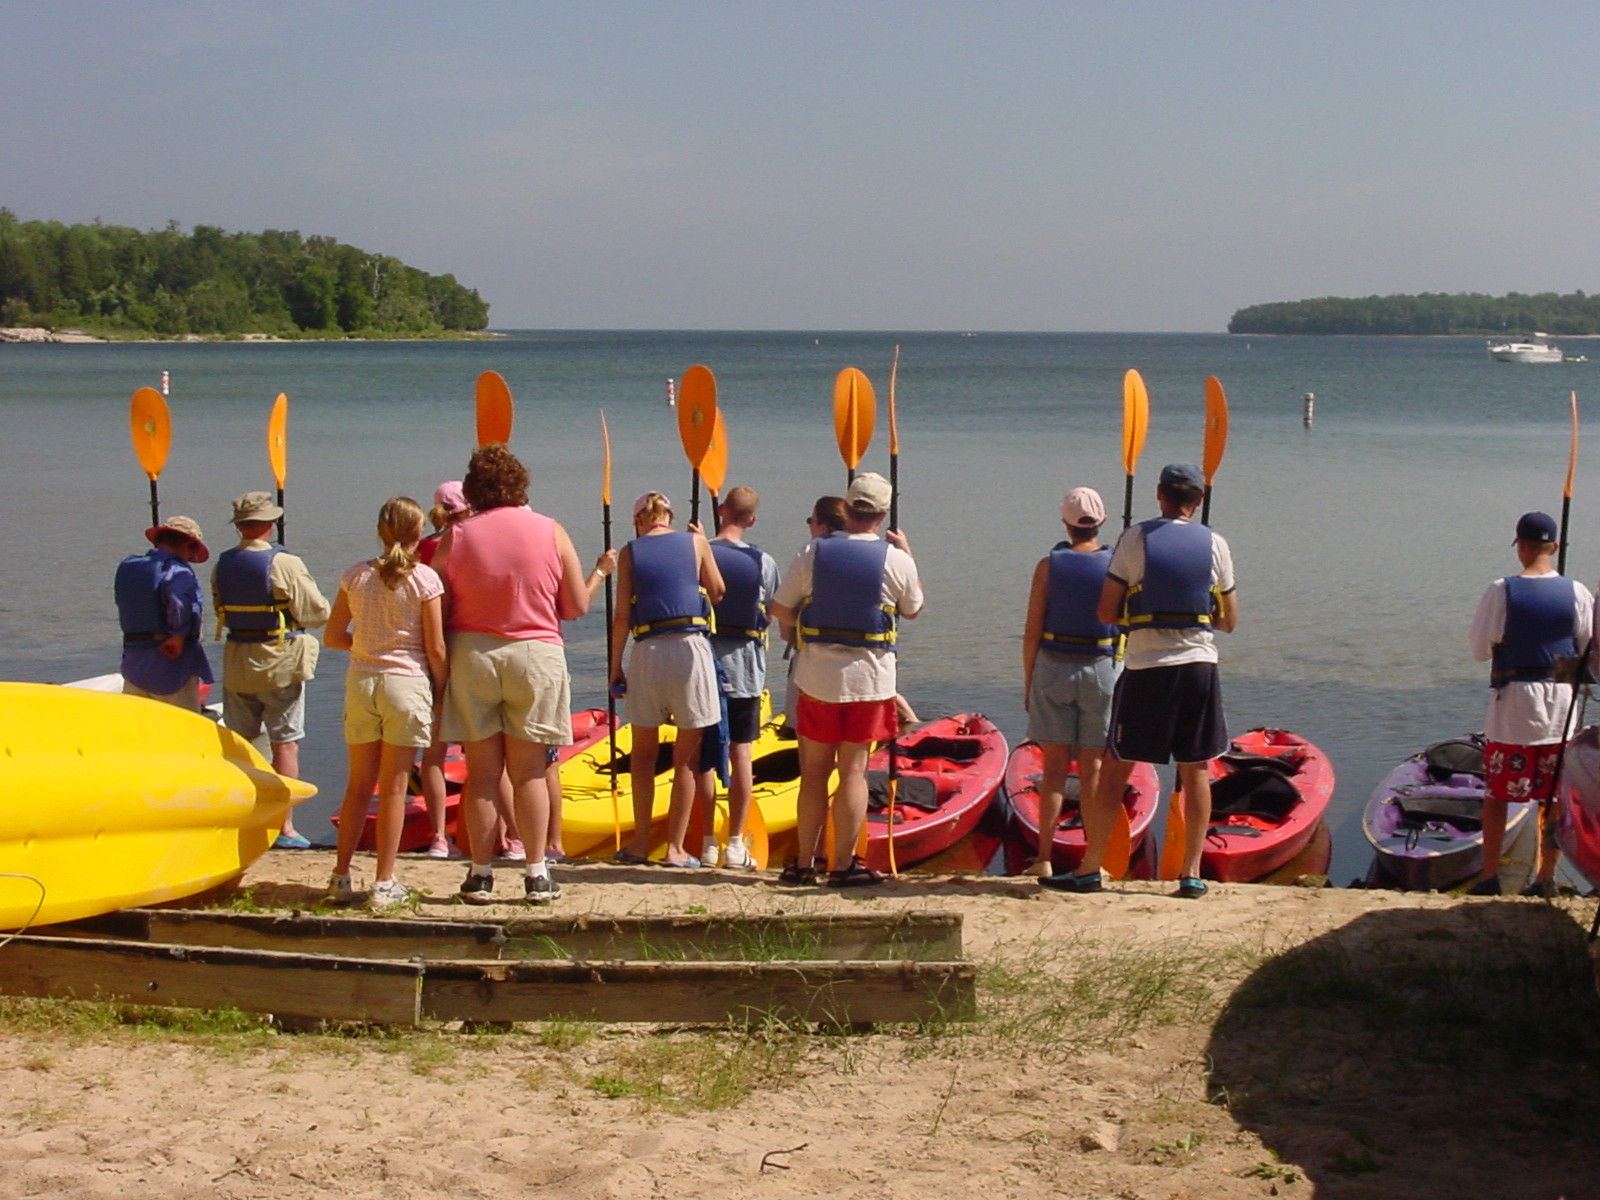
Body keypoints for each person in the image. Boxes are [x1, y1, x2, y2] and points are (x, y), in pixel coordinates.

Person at [1043, 463, 1236, 899]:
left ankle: (1091, 867)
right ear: (1197, 500)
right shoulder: (1216, 543)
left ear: (1159, 495)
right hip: (1200, 667)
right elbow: (1229, 622)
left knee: (1116, 769)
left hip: (1147, 669)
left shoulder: (1135, 538)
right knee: (1197, 769)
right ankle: (1191, 872)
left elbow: (1106, 613)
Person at [433, 444, 589, 904]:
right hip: (536, 655)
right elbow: (576, 605)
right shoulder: (550, 530)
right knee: (530, 774)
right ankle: (537, 874)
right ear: (520, 484)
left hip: (475, 654)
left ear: (474, 489)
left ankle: (480, 875)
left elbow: (435, 605)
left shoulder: (456, 536)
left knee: (482, 775)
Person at [771, 471, 923, 887]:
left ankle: (803, 863)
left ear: (848, 506)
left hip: (817, 677)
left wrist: (809, 619)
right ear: (883, 513)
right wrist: (906, 550)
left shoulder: (813, 551)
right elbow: (913, 608)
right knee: (854, 772)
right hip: (870, 681)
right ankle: (843, 864)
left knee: (814, 773)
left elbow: (780, 608)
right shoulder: (896, 559)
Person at [323, 497, 447, 910]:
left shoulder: (355, 576)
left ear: (381, 531)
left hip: (362, 681)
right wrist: (442, 689)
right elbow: (435, 647)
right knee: (394, 789)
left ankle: (341, 875)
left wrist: (368, 646)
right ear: (418, 535)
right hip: (406, 683)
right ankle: (384, 881)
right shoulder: (425, 581)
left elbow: (333, 636)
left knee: (359, 785)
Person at [1467, 511, 1593, 896]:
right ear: (1554, 547)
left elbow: (1478, 650)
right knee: (1553, 795)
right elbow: (1587, 648)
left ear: (1520, 545)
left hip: (1514, 705)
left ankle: (1490, 877)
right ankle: (1545, 879)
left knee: (1498, 793)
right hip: (1560, 705)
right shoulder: (1578, 592)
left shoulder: (1500, 590)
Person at [610, 492, 725, 867]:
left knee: (642, 755)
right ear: (669, 517)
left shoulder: (630, 552)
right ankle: (675, 849)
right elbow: (719, 591)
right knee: (687, 759)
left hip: (648, 650)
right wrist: (704, 542)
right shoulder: (695, 541)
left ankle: (641, 843)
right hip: (691, 648)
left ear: (639, 520)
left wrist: (615, 667)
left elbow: (622, 617)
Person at [213, 492, 331, 849]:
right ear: (269, 524)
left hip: (238, 661)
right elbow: (318, 613)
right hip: (280, 662)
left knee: (239, 744)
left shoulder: (223, 563)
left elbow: (220, 607)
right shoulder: (286, 563)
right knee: (285, 742)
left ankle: (241, 817)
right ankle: (285, 827)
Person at [1020, 487, 1121, 877]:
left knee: (1054, 769)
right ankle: (1090, 861)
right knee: (1093, 770)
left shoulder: (1048, 566)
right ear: (1101, 523)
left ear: (1065, 523)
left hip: (1053, 665)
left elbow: (1032, 632)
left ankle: (1044, 857)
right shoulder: (1117, 566)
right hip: (1100, 667)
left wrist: (1029, 682)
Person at [695, 486, 780, 869]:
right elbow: (772, 610)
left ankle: (706, 842)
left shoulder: (699, 552)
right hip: (745, 668)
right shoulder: (764, 562)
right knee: (741, 752)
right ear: (752, 520)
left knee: (703, 756)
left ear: (720, 510)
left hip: (703, 666)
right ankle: (734, 843)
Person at [416, 479, 471, 858]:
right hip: (469, 650)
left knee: (433, 754)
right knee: (485, 754)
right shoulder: (477, 544)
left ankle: (438, 837)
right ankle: (505, 838)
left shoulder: (422, 548)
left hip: (430, 652)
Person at [114, 515, 213, 711]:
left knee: (140, 726)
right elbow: (180, 604)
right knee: (181, 726)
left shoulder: (128, 568)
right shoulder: (177, 570)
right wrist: (178, 636)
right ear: (188, 544)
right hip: (170, 664)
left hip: (134, 660)